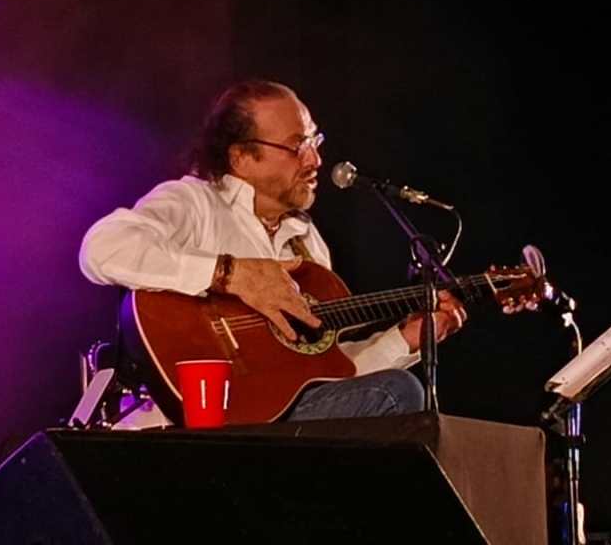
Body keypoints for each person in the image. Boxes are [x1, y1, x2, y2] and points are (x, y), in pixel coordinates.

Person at [79, 79, 468, 422]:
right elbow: (102, 248)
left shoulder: (307, 241)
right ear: (241, 157)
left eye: (314, 142)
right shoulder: (194, 202)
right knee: (399, 392)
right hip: (188, 422)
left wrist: (405, 340)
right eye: (297, 146)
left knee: (393, 392)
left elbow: (321, 379)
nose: (315, 160)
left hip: (269, 421)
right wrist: (230, 274)